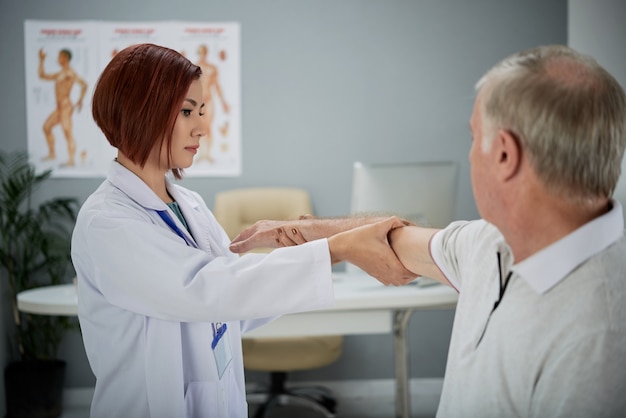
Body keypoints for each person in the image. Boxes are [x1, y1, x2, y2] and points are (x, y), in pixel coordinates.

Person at [230, 45, 626, 417]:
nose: (471, 154)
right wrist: (290, 230)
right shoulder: (489, 244)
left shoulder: (599, 343)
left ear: (505, 155)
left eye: (474, 139)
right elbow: (390, 240)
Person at [70, 43, 409, 418]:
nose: (201, 127)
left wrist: (283, 249)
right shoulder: (106, 220)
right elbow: (205, 289)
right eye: (186, 111)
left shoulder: (190, 205)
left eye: (201, 111)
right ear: (140, 110)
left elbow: (231, 306)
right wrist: (335, 248)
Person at [38, 48, 87, 167]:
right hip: (59, 107)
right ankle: (52, 153)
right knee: (46, 127)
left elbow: (84, 84)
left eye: (60, 56)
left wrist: (80, 100)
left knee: (67, 132)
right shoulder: (59, 74)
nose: (58, 59)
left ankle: (71, 160)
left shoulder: (70, 73)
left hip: (66, 106)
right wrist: (41, 61)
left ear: (65, 58)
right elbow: (42, 76)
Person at [195, 44, 230, 163]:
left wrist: (224, 102)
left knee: (207, 127)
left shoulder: (212, 68)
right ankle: (200, 154)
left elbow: (217, 86)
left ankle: (207, 153)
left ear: (206, 53)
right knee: (197, 129)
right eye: (199, 52)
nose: (201, 55)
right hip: (196, 103)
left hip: (209, 101)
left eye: (203, 52)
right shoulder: (193, 68)